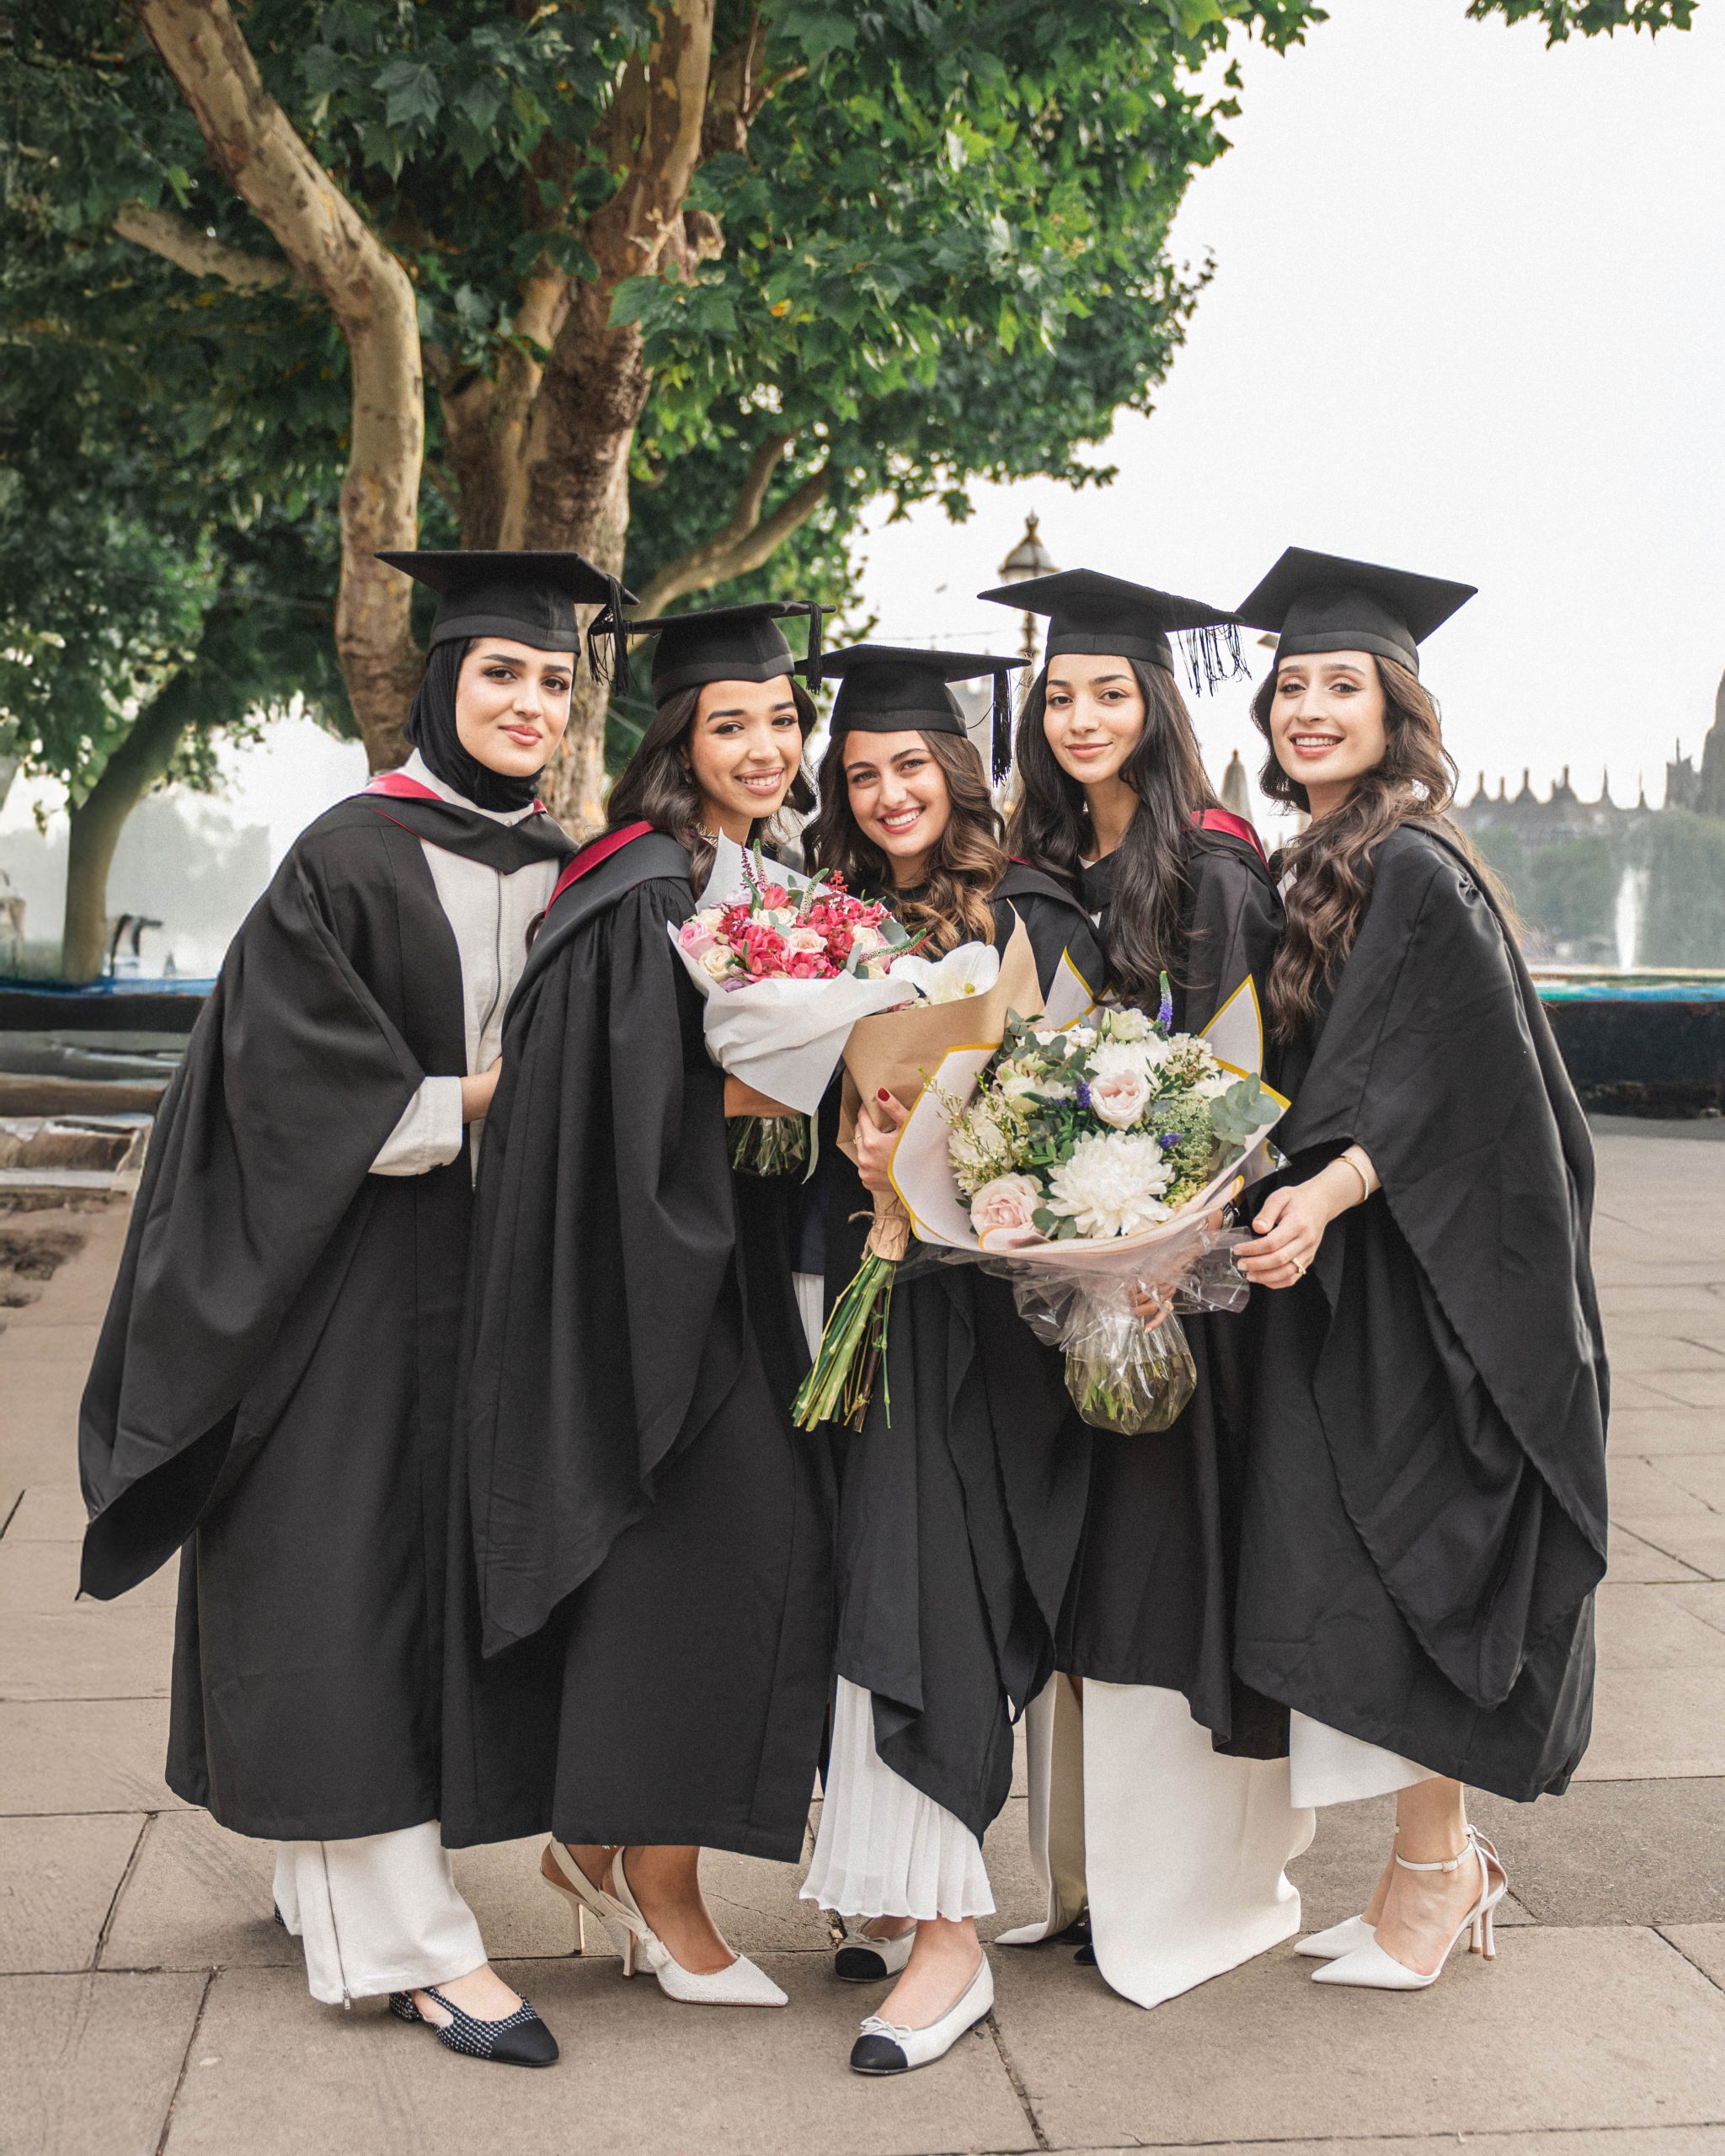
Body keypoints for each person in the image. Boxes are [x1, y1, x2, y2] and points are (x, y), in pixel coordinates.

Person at [77, 547, 627, 2064]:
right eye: (499, 672)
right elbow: (276, 1087)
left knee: (423, 1591)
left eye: (553, 680)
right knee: (348, 1587)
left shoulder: (578, 864)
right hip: (342, 1293)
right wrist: (479, 1097)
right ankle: (413, 1946)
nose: (528, 702)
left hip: (495, 1294)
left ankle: (333, 1875)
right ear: (442, 682)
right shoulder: (348, 856)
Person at [441, 600, 833, 2011]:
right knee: (722, 1550)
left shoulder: (757, 877)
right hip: (642, 1280)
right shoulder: (644, 882)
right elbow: (612, 1099)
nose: (766, 746)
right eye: (731, 724)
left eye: (783, 721)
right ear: (680, 738)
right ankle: (660, 1891)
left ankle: (604, 1846)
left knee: (719, 1556)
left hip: (718, 1265)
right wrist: (792, 1083)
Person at [1230, 547, 1608, 1989]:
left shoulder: (1411, 867)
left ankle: (1438, 1872)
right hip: (1359, 1275)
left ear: (1397, 707)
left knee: (1410, 1557)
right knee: (1366, 1562)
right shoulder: (1321, 861)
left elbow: (1449, 1088)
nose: (1310, 710)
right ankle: (1438, 1867)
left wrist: (1321, 1190)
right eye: (1291, 689)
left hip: (1430, 1284)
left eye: (1342, 686)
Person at [980, 567, 1314, 2009]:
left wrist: (1162, 1254)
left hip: (1190, 1301)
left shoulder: (1218, 871)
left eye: (1111, 691)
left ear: (1159, 708)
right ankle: (1078, 1884)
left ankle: (1177, 1892)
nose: (1081, 716)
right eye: (1060, 696)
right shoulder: (1040, 873)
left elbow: (1240, 1092)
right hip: (1073, 1286)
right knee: (1073, 1576)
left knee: (1161, 1576)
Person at [791, 644, 1106, 2074]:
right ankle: (880, 1882)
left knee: (938, 1580)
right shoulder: (818, 923)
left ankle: (951, 1940)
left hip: (978, 1317)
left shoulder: (1033, 911)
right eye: (860, 774)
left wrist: (940, 1161)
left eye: (911, 764)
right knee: (869, 1575)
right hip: (860, 1285)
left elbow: (1080, 1117)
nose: (887, 791)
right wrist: (857, 1153)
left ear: (959, 775)